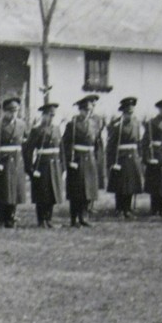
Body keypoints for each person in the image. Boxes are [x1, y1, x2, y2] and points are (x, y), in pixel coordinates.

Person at [0, 96, 28, 228]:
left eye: (15, 111)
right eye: (10, 111)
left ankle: (11, 217)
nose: (13, 114)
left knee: (14, 191)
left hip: (17, 161)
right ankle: (0, 218)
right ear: (5, 111)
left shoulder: (21, 124)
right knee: (3, 191)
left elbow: (25, 143)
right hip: (3, 161)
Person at [22, 102, 64, 228]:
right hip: (42, 166)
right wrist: (30, 169)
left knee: (52, 193)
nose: (51, 118)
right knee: (42, 194)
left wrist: (63, 167)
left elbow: (61, 149)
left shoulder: (56, 129)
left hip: (55, 164)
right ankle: (41, 220)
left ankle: (49, 219)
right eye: (49, 115)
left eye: (53, 115)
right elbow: (28, 151)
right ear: (44, 116)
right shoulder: (37, 130)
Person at [62, 95, 101, 227]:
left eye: (89, 110)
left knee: (88, 190)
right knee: (76, 190)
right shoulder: (72, 124)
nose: (87, 113)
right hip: (77, 159)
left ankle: (84, 217)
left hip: (89, 159)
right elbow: (65, 144)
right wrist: (69, 160)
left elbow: (97, 143)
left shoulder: (94, 124)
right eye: (85, 110)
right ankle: (74, 218)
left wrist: (96, 157)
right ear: (80, 110)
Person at [105, 97, 144, 219]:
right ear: (123, 111)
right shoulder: (117, 124)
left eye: (131, 111)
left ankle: (127, 209)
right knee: (120, 185)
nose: (129, 113)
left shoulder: (137, 123)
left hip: (133, 156)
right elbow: (111, 144)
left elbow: (138, 141)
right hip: (121, 157)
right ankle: (119, 209)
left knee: (131, 184)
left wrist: (140, 156)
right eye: (127, 111)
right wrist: (111, 161)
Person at [142, 98, 162, 216]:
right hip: (155, 154)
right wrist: (148, 157)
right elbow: (145, 142)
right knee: (154, 183)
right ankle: (154, 208)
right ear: (159, 109)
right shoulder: (152, 123)